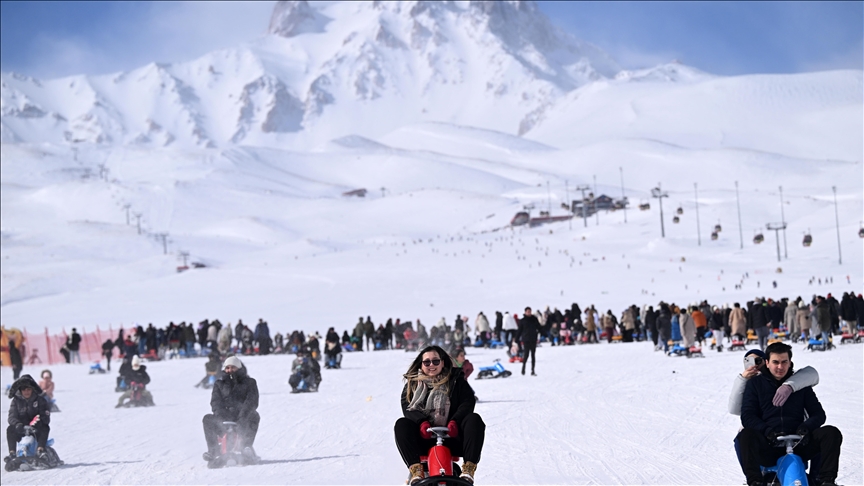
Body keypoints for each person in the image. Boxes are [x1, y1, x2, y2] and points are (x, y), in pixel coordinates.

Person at [739, 343, 842, 486]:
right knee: (746, 435)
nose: (780, 367)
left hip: (799, 443)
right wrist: (766, 431)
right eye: (775, 362)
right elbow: (747, 416)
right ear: (767, 363)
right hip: (769, 445)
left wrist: (806, 427)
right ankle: (755, 481)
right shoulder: (756, 384)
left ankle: (826, 481)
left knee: (831, 433)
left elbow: (818, 414)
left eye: (784, 362)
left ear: (790, 363)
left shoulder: (799, 385)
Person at [394, 345, 484, 484]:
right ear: (421, 364)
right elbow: (407, 406)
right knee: (402, 424)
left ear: (442, 362)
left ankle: (468, 470)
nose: (432, 365)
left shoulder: (456, 381)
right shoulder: (413, 385)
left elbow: (467, 402)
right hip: (423, 438)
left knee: (474, 420)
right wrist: (421, 422)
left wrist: (455, 421)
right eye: (427, 362)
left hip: (453, 437)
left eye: (436, 361)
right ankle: (416, 469)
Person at [202, 356, 260, 462]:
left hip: (242, 419)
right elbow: (216, 402)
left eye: (233, 367)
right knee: (207, 419)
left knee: (254, 415)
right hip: (223, 418)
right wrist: (221, 418)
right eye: (227, 368)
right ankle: (213, 450)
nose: (230, 370)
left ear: (238, 368)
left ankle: (246, 447)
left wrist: (242, 417)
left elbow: (251, 401)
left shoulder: (250, 383)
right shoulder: (219, 384)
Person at [6, 375, 51, 459]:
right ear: (20, 390)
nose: (26, 392)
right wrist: (18, 424)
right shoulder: (16, 401)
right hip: (21, 428)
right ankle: (12, 453)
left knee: (45, 427)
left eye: (28, 389)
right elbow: (12, 416)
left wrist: (37, 423)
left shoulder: (40, 400)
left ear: (32, 389)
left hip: (36, 429)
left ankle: (40, 450)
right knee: (10, 429)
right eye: (24, 390)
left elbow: (45, 416)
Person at [517, 307, 540, 376]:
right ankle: (523, 368)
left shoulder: (534, 319)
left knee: (533, 355)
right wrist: (516, 338)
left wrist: (544, 333)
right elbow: (519, 330)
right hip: (526, 339)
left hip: (533, 339)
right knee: (526, 355)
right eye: (527, 311)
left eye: (530, 311)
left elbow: (539, 327)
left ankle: (533, 370)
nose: (529, 313)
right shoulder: (523, 320)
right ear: (525, 312)